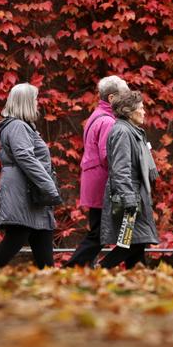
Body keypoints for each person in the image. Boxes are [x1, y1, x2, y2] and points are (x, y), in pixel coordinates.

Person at [0, 83, 59, 269]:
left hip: (31, 193)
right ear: (26, 102)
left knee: (42, 239)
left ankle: (50, 286)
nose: (37, 104)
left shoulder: (24, 127)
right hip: (22, 192)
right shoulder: (17, 126)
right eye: (35, 100)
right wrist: (48, 185)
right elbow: (25, 157)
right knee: (16, 237)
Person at [64, 75, 129, 267]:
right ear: (111, 98)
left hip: (93, 181)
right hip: (103, 183)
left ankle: (82, 268)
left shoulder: (96, 116)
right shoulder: (108, 122)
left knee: (102, 231)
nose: (127, 99)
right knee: (101, 233)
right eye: (124, 95)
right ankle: (71, 268)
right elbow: (108, 155)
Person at [99, 90, 159, 268]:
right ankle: (98, 271)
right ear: (128, 111)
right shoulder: (123, 132)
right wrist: (129, 199)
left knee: (136, 243)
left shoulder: (131, 131)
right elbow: (120, 169)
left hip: (135, 194)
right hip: (130, 196)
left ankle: (139, 284)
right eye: (141, 108)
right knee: (133, 242)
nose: (144, 112)